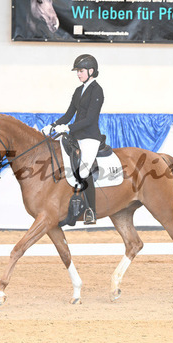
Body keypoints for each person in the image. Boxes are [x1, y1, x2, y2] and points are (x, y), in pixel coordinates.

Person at [41, 54, 104, 224]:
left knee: (83, 171)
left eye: (81, 71)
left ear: (91, 71)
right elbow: (69, 114)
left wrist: (68, 128)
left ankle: (91, 210)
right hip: (75, 136)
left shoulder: (97, 90)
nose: (78, 74)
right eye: (77, 71)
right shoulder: (78, 91)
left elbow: (90, 119)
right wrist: (53, 125)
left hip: (90, 137)